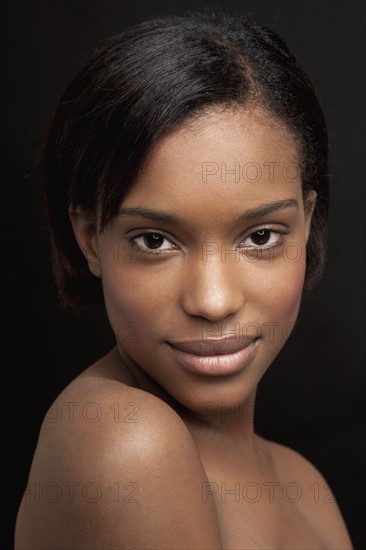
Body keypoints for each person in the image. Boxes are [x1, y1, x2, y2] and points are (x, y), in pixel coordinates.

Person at [15, 8, 353, 549]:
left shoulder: (300, 480)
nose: (213, 301)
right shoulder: (125, 440)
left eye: (261, 236)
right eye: (154, 240)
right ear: (88, 238)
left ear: (307, 222)